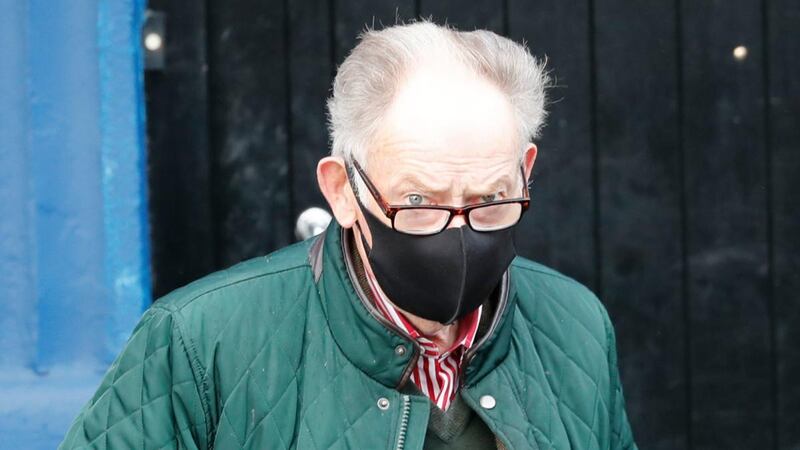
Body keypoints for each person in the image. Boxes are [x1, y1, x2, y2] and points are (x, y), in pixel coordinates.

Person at [60, 20, 636, 449]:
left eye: (489, 200)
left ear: (525, 173)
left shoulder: (576, 326)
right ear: (342, 190)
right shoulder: (198, 343)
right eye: (417, 201)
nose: (458, 234)